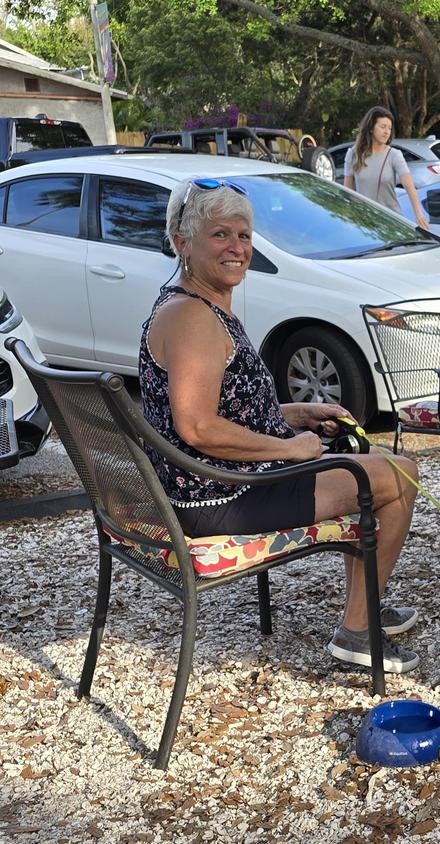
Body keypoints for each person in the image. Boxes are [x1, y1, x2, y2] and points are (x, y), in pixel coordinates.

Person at [140, 178, 423, 674]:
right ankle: (357, 630)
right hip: (221, 496)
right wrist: (289, 448)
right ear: (182, 243)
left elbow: (220, 406)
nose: (237, 248)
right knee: (398, 477)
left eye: (244, 235)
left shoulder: (195, 302)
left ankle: (362, 608)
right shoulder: (191, 318)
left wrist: (292, 415)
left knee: (386, 468)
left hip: (217, 482)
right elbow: (197, 427)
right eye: (220, 235)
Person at [343, 106, 429, 229]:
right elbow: (348, 192)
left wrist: (418, 213)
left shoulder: (394, 155)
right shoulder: (353, 154)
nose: (387, 131)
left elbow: (409, 186)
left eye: (389, 128)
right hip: (363, 223)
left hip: (390, 222)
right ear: (371, 128)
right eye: (382, 127)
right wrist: (350, 218)